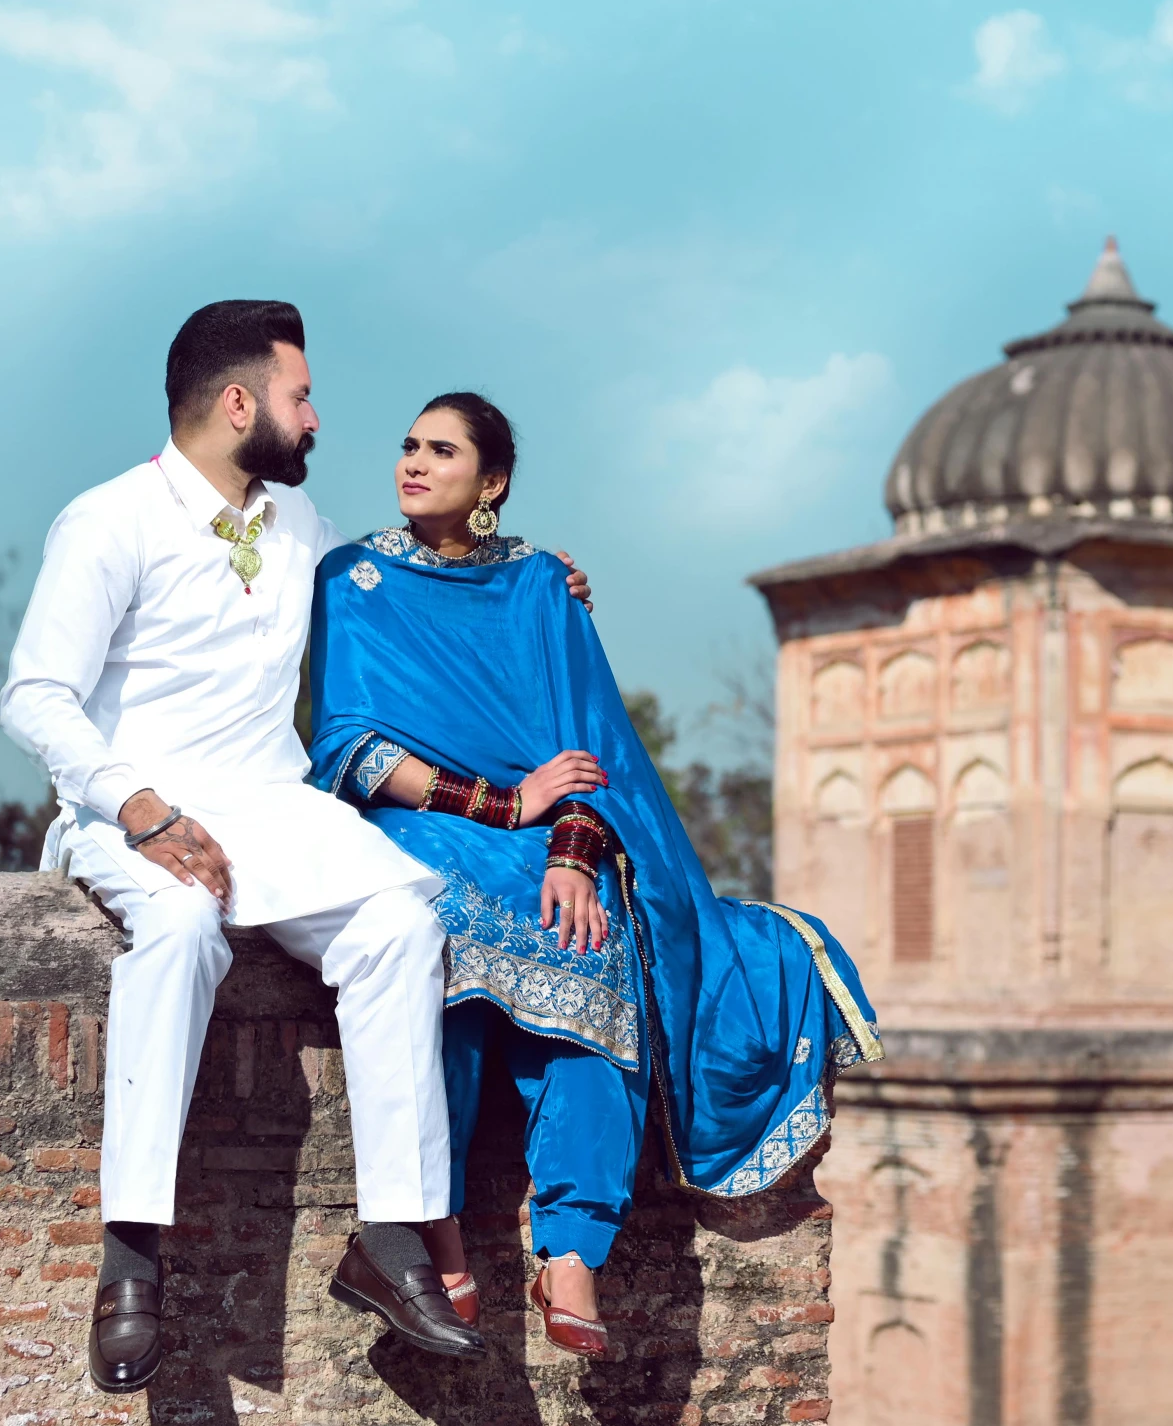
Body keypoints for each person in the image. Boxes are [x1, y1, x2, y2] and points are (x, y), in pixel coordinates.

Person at [0, 303, 596, 1393]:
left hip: (274, 807)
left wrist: (524, 574)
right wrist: (140, 810)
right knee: (180, 928)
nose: (316, 417)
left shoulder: (300, 521)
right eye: (299, 396)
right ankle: (132, 1257)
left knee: (402, 925)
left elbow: (404, 586)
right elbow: (35, 696)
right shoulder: (107, 520)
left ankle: (393, 1238)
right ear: (239, 404)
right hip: (138, 806)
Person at [304, 391, 882, 1356]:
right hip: (423, 821)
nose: (412, 462)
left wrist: (573, 850)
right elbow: (348, 744)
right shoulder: (351, 577)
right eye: (407, 444)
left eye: (441, 451)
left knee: (594, 947)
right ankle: (435, 1235)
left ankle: (571, 1251)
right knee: (442, 947)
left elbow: (586, 744)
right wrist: (500, 806)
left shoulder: (538, 585)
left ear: (489, 482)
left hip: (547, 828)